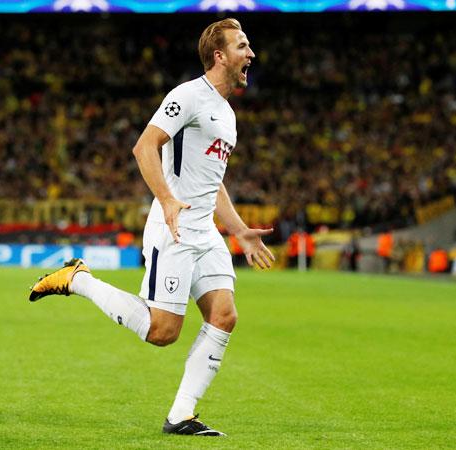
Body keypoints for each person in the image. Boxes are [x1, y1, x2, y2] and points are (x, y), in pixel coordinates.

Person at [28, 18, 274, 437]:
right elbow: (144, 146)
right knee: (162, 332)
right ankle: (79, 279)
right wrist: (167, 200)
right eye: (242, 46)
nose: (250, 54)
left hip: (205, 232)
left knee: (224, 315)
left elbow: (211, 182)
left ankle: (181, 415)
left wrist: (238, 230)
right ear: (219, 56)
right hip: (173, 228)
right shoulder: (188, 96)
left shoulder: (228, 114)